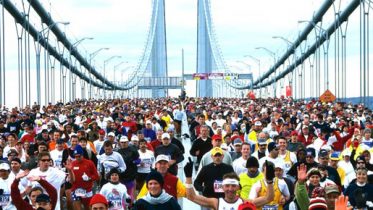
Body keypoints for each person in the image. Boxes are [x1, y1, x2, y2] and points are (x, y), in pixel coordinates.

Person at [184, 157, 275, 210]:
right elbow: (191, 197)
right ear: (222, 187)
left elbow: (269, 198)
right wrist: (188, 177)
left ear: (238, 187)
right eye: (227, 186)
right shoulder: (216, 202)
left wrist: (270, 181)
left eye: (233, 186)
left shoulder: (244, 202)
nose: (230, 189)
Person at [66, 145, 99, 210]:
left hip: (87, 190)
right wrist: (69, 176)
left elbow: (96, 176)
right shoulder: (73, 163)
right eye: (76, 156)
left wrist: (89, 178)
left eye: (79, 156)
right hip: (75, 189)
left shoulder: (89, 163)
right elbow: (71, 177)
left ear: (82, 155)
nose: (77, 158)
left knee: (88, 208)